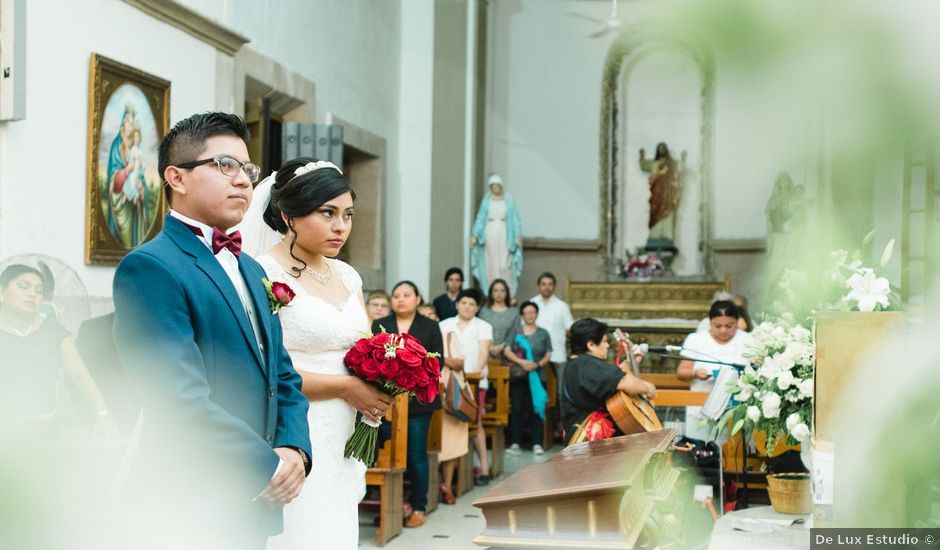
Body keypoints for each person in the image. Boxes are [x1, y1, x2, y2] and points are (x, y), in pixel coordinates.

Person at [112, 112, 311, 549]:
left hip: (251, 502)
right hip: (190, 498)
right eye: (225, 165)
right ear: (176, 178)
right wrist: (266, 464)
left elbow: (283, 375)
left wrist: (296, 450)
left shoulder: (252, 267)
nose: (243, 181)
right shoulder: (150, 267)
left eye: (247, 169)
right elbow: (175, 398)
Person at [240, 157, 393, 550]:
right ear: (289, 214)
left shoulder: (346, 275)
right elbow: (264, 369)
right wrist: (346, 388)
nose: (340, 226)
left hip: (344, 432)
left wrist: (386, 375)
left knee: (338, 530)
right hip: (296, 429)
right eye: (327, 213)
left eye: (347, 214)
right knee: (302, 532)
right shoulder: (260, 273)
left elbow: (362, 347)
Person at [0, 264, 118, 438]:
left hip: (46, 430)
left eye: (39, 291)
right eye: (24, 286)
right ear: (2, 292)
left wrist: (103, 415)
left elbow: (80, 375)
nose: (32, 294)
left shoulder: (54, 332)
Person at [372, 281, 443, 529]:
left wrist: (410, 382)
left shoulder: (431, 326)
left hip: (417, 402)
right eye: (396, 295)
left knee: (415, 455)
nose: (401, 299)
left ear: (418, 299)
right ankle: (389, 505)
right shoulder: (381, 325)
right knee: (383, 455)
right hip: (384, 402)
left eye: (406, 295)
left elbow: (437, 365)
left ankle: (419, 506)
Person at [561, 318, 655, 443]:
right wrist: (648, 388)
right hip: (594, 445)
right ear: (591, 345)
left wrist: (630, 362)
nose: (607, 345)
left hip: (582, 439)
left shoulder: (575, 364)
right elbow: (625, 382)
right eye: (604, 341)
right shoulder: (588, 364)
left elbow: (611, 378)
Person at [439, 288, 493, 493]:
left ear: (477, 308)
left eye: (472, 304)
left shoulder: (483, 326)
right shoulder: (445, 324)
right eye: (464, 303)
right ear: (457, 305)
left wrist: (476, 373)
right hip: (448, 381)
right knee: (449, 422)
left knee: (475, 421)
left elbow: (484, 351)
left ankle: (484, 468)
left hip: (474, 381)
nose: (467, 307)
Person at [677, 300, 753, 441]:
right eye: (717, 326)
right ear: (710, 322)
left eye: (729, 326)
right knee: (701, 455)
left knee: (732, 457)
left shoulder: (748, 340)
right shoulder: (696, 340)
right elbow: (681, 372)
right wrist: (695, 373)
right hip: (701, 406)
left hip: (735, 410)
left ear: (737, 322)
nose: (723, 330)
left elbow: (757, 370)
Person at [502, 301, 552, 454]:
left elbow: (548, 353)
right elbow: (507, 350)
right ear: (522, 315)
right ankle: (515, 443)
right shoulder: (516, 331)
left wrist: (537, 365)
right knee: (517, 409)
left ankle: (537, 443)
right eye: (527, 312)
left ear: (537, 314)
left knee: (536, 409)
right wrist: (521, 362)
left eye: (533, 312)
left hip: (537, 376)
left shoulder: (543, 333)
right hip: (518, 377)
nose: (530, 315)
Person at [469, 174, 523, 294]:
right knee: (491, 262)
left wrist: (517, 235)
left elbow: (515, 219)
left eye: (497, 187)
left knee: (504, 264)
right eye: (492, 187)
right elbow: (480, 218)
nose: (495, 189)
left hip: (505, 232)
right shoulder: (487, 201)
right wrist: (475, 234)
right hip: (490, 232)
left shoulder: (508, 200)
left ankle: (507, 291)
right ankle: (491, 291)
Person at [530, 272, 574, 403]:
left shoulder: (562, 306)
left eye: (550, 284)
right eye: (543, 284)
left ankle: (558, 422)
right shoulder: (531, 304)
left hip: (557, 356)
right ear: (538, 286)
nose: (546, 287)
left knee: (560, 392)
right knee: (536, 390)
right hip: (535, 357)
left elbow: (570, 329)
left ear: (554, 287)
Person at [639, 142, 684, 242]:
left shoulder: (671, 163)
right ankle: (654, 236)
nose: (661, 149)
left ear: (666, 150)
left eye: (663, 148)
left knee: (667, 212)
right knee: (654, 211)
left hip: (667, 193)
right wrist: (641, 157)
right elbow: (643, 165)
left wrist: (683, 158)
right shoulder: (654, 163)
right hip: (656, 193)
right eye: (660, 148)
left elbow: (680, 166)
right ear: (657, 150)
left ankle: (667, 236)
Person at [479, 278, 519, 361]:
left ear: (507, 293)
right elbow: (479, 331)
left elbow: (515, 332)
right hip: (485, 353)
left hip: (508, 355)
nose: (499, 293)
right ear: (491, 293)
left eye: (502, 290)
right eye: (496, 290)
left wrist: (502, 346)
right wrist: (490, 347)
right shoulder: (483, 311)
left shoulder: (514, 312)